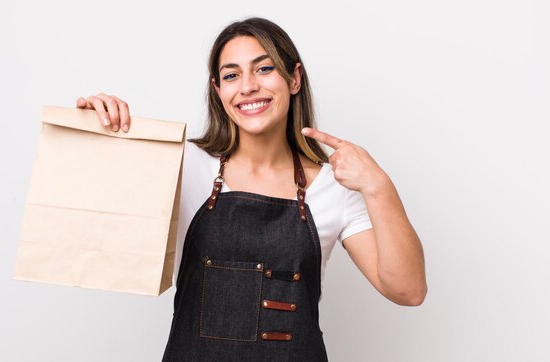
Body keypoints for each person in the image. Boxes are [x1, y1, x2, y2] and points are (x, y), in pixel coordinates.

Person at [76, 17, 426, 362]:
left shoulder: (334, 187)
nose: (247, 87)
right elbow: (92, 213)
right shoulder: (185, 164)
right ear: (218, 90)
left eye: (263, 69)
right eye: (231, 75)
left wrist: (380, 187)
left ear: (294, 78)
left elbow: (408, 291)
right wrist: (99, 128)